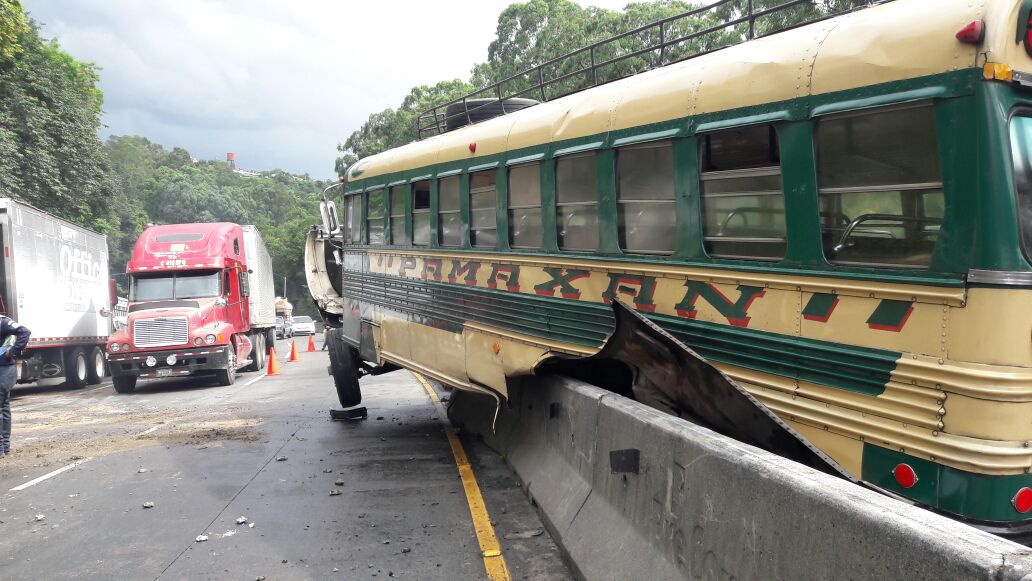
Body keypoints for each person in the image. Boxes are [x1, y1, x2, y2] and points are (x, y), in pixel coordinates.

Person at [0, 316, 30, 458]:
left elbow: (25, 332)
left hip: (3, 369)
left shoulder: (3, 322)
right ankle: (4, 447)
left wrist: (13, 351)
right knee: (4, 407)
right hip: (5, 369)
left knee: (2, 407)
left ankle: (1, 447)